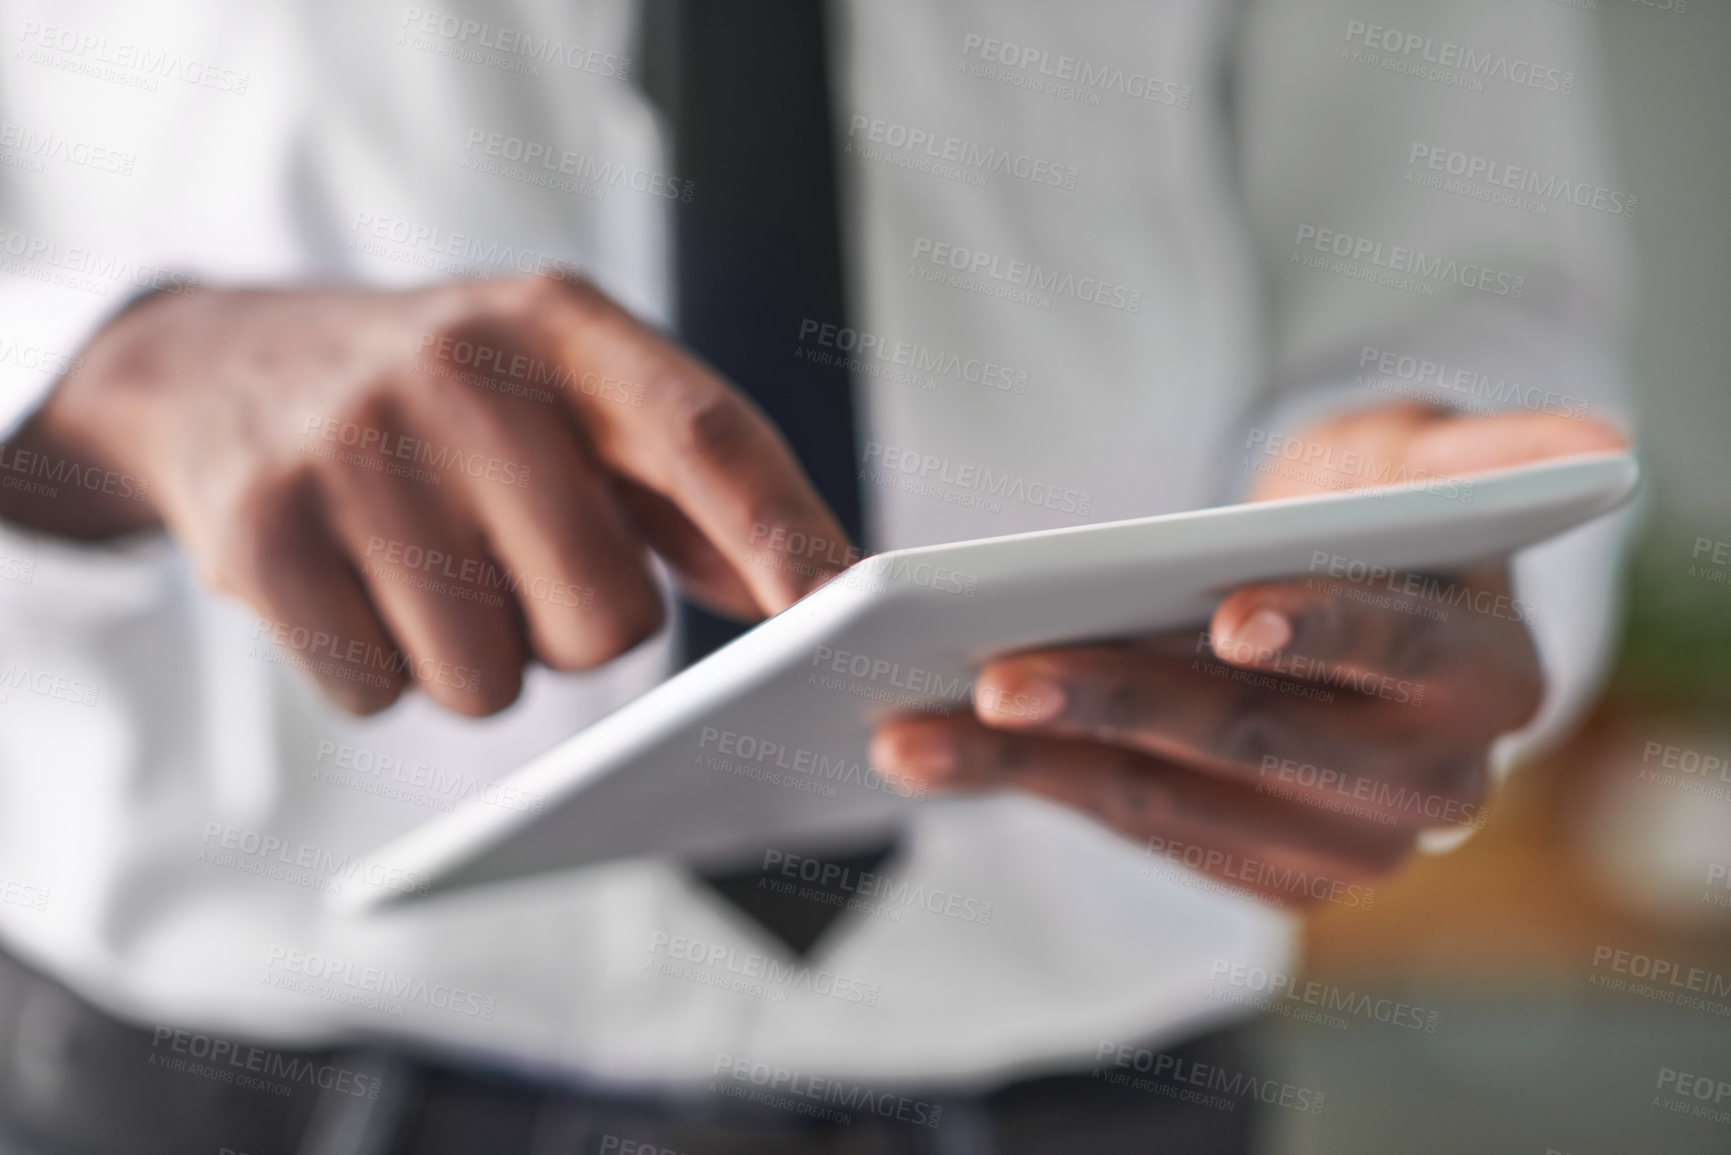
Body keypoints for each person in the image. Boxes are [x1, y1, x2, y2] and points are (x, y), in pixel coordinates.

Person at [0, 0, 1633, 1151]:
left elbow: (1454, 276)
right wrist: (106, 375)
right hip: (207, 1078)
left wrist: (1410, 531)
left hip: (1100, 1085)